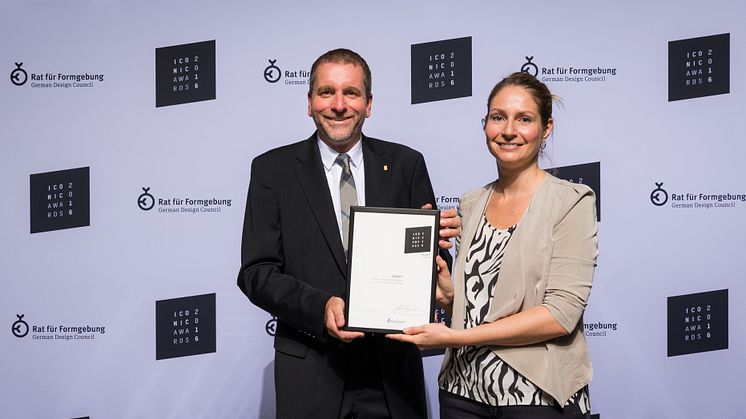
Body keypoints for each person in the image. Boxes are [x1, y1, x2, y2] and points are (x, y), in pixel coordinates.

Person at [237, 48, 459, 419]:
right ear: (309, 103)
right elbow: (256, 273)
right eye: (327, 92)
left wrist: (435, 260)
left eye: (351, 93)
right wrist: (320, 308)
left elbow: (431, 266)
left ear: (369, 104)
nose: (339, 105)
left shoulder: (406, 164)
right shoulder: (272, 171)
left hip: (392, 378)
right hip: (311, 374)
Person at [387, 72, 598, 419]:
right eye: (498, 117)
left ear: (546, 129)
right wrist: (449, 294)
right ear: (485, 124)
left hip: (536, 396)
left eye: (524, 119)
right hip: (461, 391)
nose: (509, 130)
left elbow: (560, 316)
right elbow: (488, 301)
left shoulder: (571, 202)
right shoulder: (472, 203)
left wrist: (454, 338)